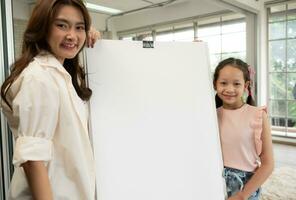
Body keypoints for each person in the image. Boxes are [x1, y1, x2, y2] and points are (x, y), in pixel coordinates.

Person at [0, 0, 100, 199]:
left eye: (79, 27)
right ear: (43, 28)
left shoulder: (61, 74)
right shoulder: (40, 77)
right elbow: (32, 159)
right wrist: (77, 32)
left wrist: (89, 36)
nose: (71, 35)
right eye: (61, 25)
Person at [213, 58, 274, 200]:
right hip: (214, 182)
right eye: (223, 83)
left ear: (246, 85)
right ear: (215, 84)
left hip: (245, 188)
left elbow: (268, 164)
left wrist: (242, 195)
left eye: (236, 84)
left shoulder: (258, 115)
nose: (229, 89)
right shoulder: (211, 115)